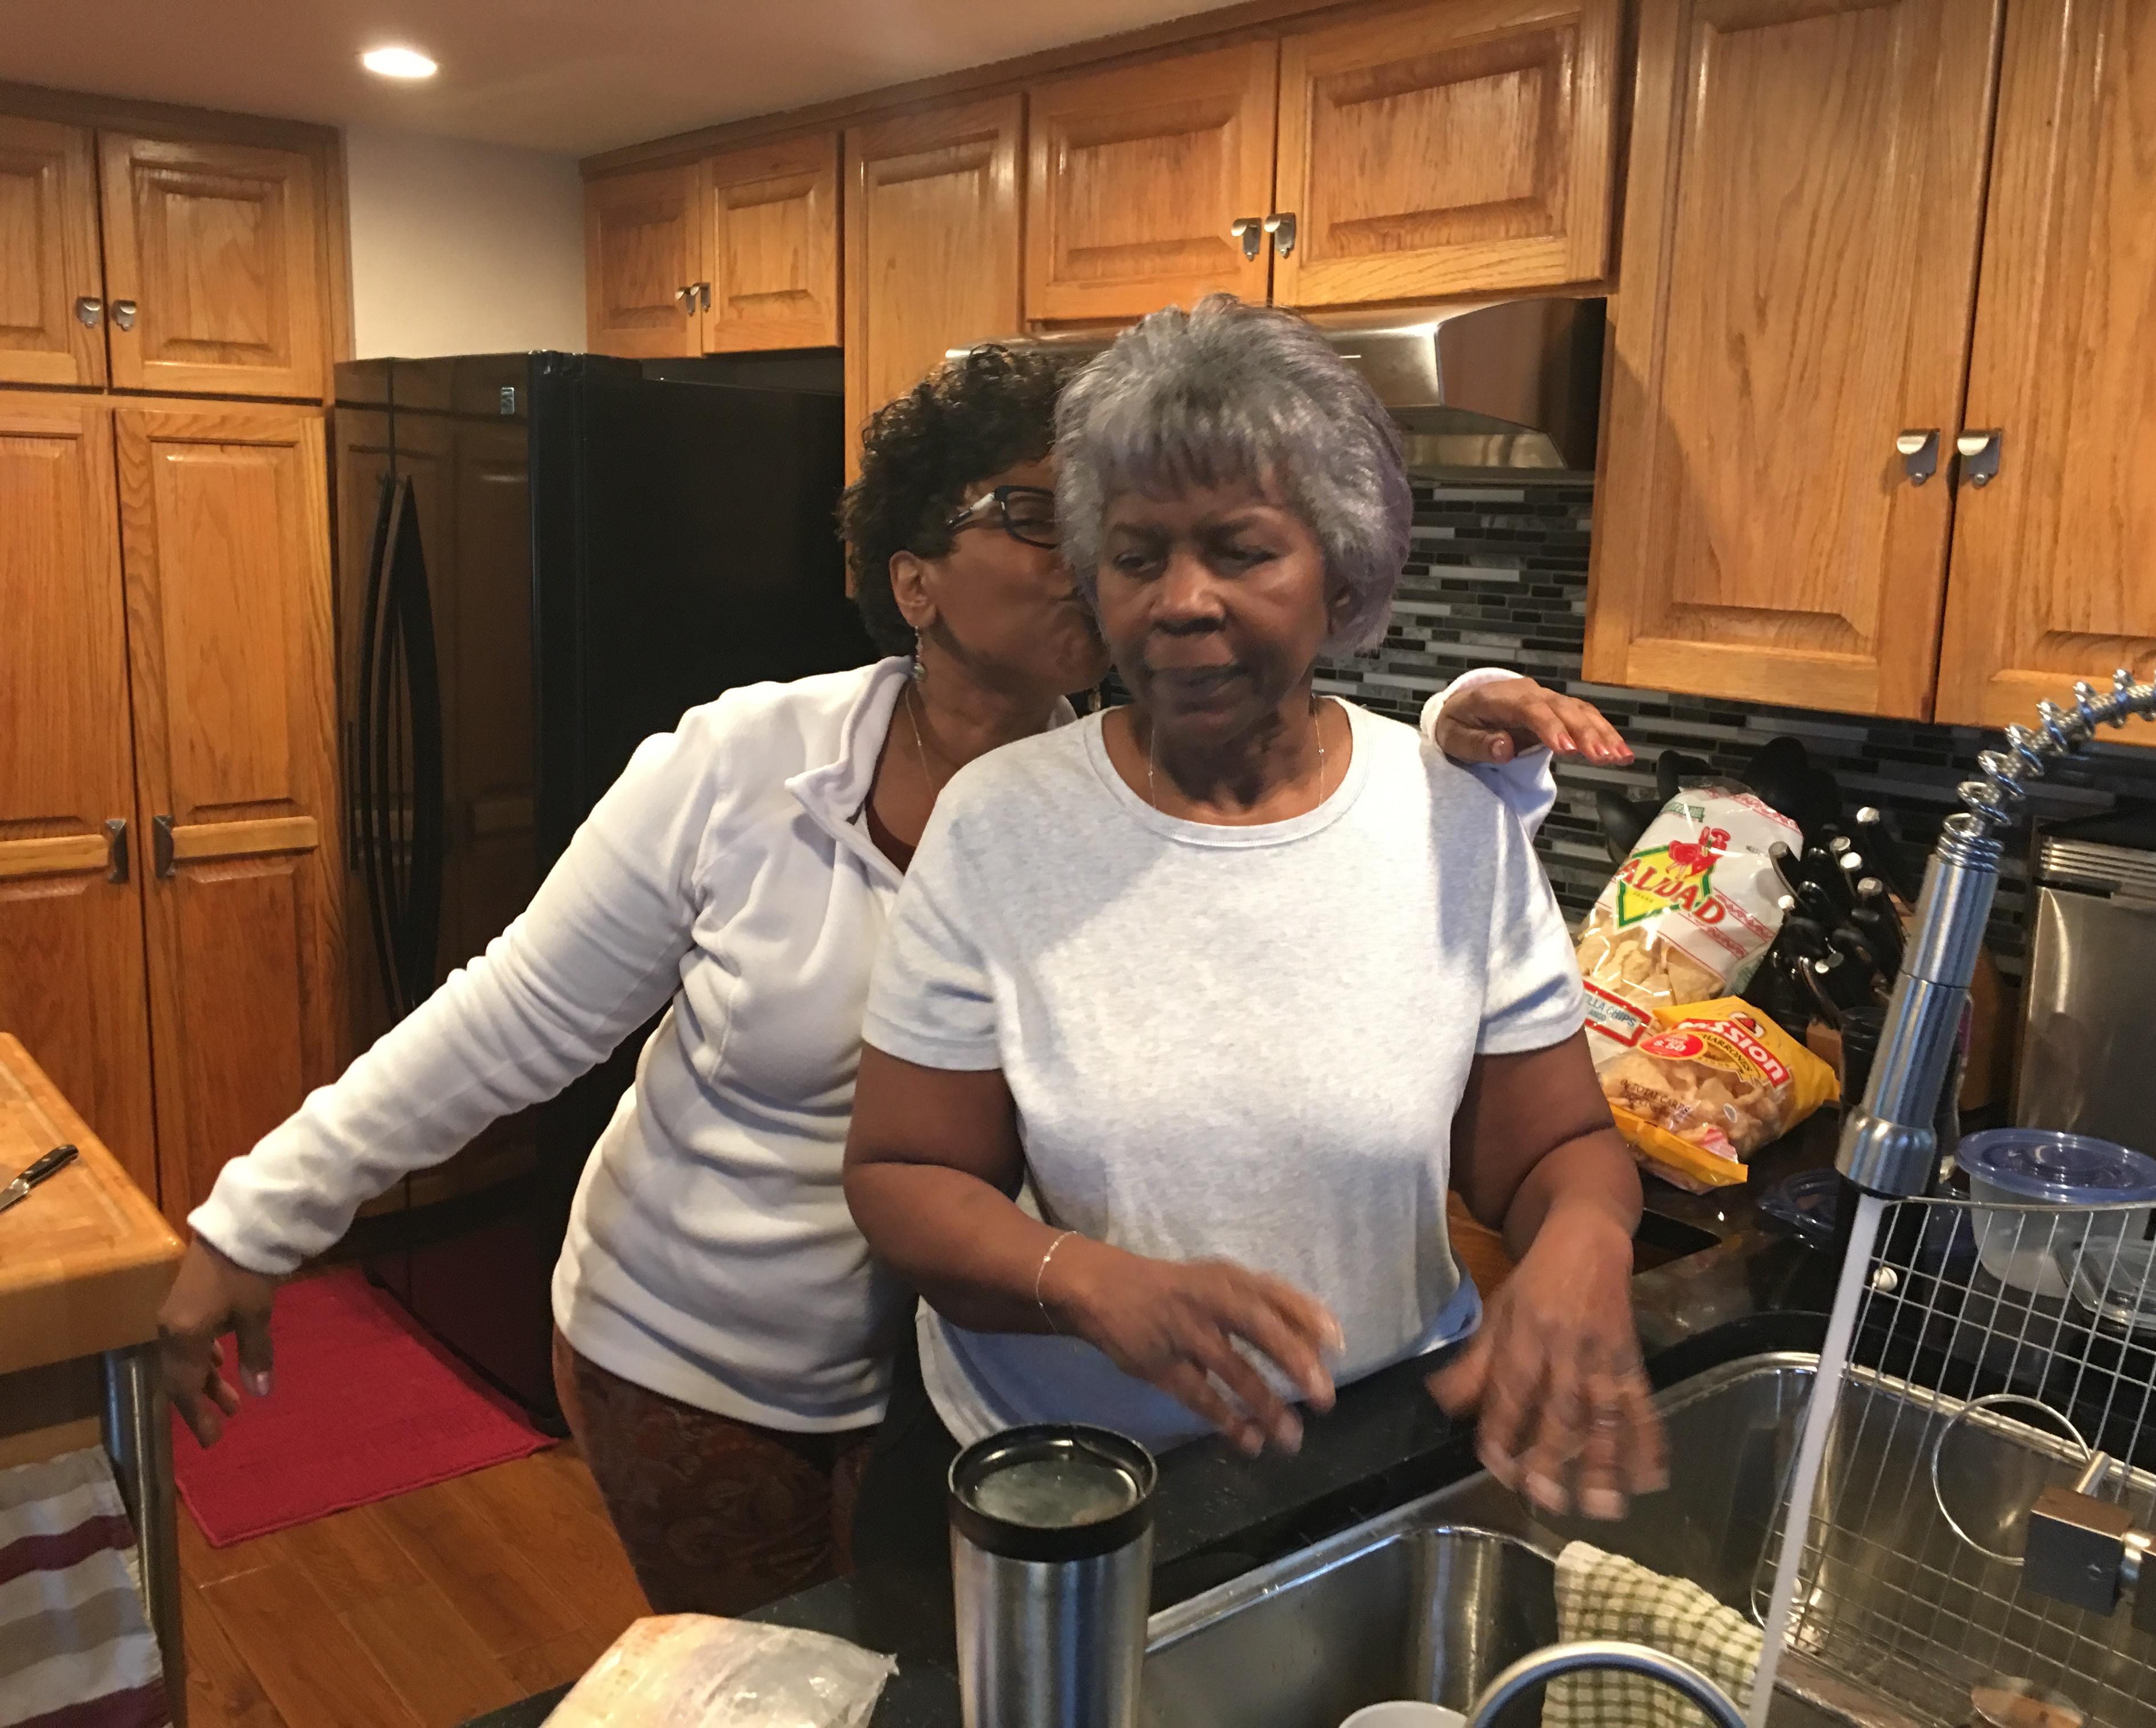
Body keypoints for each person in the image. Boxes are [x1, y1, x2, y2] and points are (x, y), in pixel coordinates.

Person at [154, 342, 1628, 1615]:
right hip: (720, 1356)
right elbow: (511, 1022)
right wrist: (259, 1219)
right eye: (1052, 521)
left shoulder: (1103, 777)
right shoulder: (744, 772)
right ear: (913, 580)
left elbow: (1297, 832)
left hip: (972, 1380)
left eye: (1103, 523)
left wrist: (1456, 755)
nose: (1112, 563)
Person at [845, 297, 1665, 1567]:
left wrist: (1586, 1241)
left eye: (1239, 551)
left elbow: (1555, 1148)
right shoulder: (1002, 825)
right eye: (1136, 555)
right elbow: (904, 1178)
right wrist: (1096, 1284)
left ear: (1340, 574)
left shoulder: (1450, 822)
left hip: (1378, 1462)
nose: (1181, 602)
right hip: (1076, 1496)